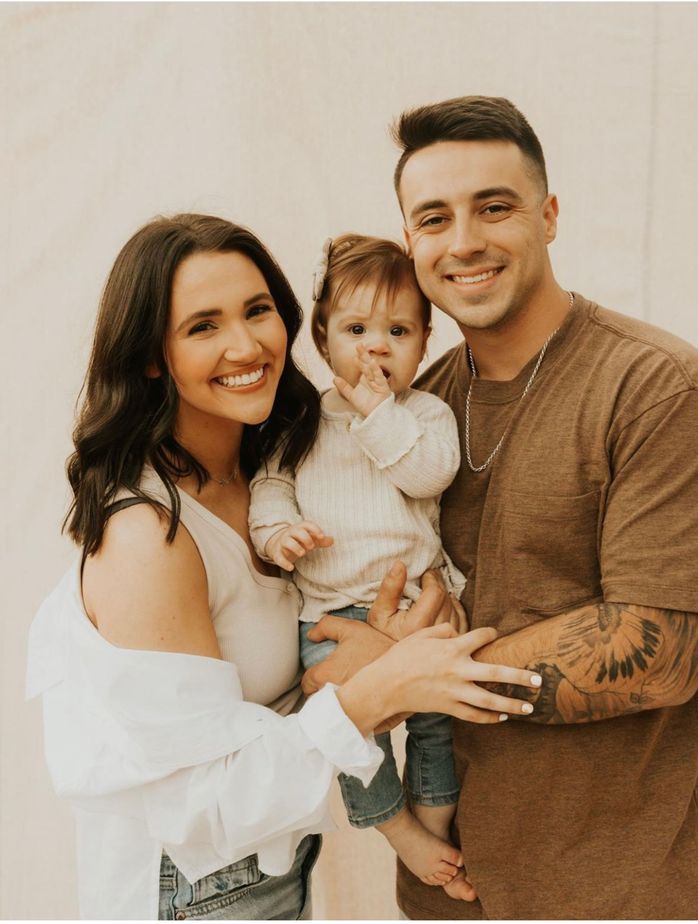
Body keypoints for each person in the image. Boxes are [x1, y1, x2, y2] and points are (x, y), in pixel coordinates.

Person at [26, 213, 542, 921]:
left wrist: (373, 647)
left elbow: (279, 686)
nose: (246, 344)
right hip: (192, 890)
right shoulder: (150, 533)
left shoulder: (272, 466)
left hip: (272, 863)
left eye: (258, 310)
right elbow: (207, 798)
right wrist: (378, 686)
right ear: (150, 356)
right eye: (203, 326)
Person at [304, 96, 698, 918]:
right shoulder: (410, 408)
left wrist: (401, 676)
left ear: (549, 214)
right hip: (453, 893)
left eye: (492, 208)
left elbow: (659, 652)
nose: (462, 241)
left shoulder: (659, 391)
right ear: (411, 244)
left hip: (623, 895)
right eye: (433, 218)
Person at [248, 233, 475, 893]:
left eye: (398, 330)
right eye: (355, 328)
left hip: (415, 609)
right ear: (321, 340)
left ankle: (433, 826)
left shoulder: (423, 415)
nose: (376, 345)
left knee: (438, 723)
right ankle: (395, 826)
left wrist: (378, 412)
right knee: (347, 728)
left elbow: (429, 475)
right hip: (328, 615)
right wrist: (277, 536)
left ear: (425, 339)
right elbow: (268, 488)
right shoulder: (299, 422)